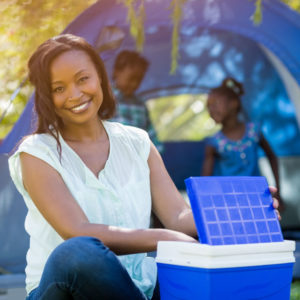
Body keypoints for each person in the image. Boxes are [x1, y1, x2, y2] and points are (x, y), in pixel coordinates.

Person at [8, 35, 280, 300]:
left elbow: (178, 216)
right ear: (47, 96)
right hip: (63, 288)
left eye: (83, 79)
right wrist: (166, 237)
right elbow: (77, 230)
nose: (75, 94)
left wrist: (238, 213)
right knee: (77, 251)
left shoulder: (138, 142)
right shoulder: (36, 152)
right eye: (59, 88)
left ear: (100, 77)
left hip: (138, 287)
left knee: (198, 265)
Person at [201, 77, 284, 209]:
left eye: (215, 104)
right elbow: (205, 180)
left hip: (256, 199)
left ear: (234, 104)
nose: (211, 109)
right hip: (227, 203)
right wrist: (206, 204)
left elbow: (272, 157)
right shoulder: (214, 142)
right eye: (208, 106)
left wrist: (278, 191)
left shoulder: (254, 131)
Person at [110, 50, 163, 153]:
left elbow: (150, 134)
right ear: (116, 72)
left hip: (138, 160)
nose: (134, 84)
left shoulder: (140, 104)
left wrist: (157, 152)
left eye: (139, 80)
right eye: (131, 78)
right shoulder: (104, 99)